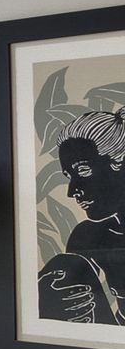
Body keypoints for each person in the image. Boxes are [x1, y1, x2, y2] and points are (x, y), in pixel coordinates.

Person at [40, 108, 125, 325]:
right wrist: (45, 302)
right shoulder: (88, 236)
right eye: (69, 176)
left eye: (83, 171)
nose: (72, 191)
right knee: (62, 269)